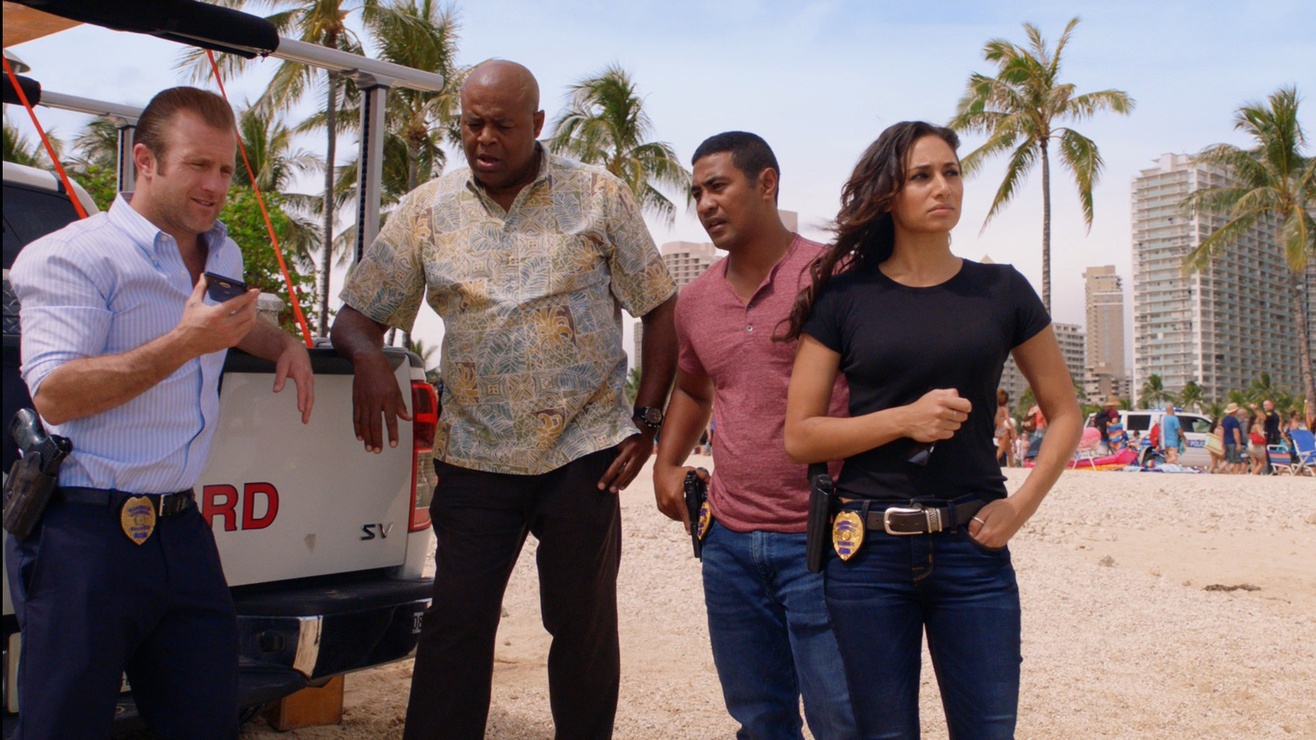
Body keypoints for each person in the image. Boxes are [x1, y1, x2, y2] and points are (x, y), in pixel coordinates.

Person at [330, 60, 677, 740]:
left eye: (503, 125)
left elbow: (660, 306)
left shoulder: (597, 195)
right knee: (456, 625)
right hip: (475, 455)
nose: (484, 138)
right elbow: (355, 317)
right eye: (472, 124)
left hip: (583, 452)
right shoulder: (427, 209)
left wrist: (647, 420)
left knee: (581, 626)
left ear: (537, 124)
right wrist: (368, 357)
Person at [5, 86, 315, 739]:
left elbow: (229, 321)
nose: (215, 186)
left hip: (180, 529)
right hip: (82, 533)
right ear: (144, 161)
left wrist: (282, 343)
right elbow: (55, 392)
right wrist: (185, 343)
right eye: (198, 165)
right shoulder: (73, 255)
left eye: (225, 169)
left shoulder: (221, 251)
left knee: (206, 723)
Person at [782, 121, 1082, 739]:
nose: (942, 186)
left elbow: (1065, 413)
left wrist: (1020, 506)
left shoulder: (1002, 289)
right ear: (889, 193)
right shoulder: (843, 298)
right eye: (921, 176)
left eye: (951, 172)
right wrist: (905, 419)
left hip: (974, 549)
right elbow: (801, 436)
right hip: (867, 553)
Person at [651, 132, 856, 739]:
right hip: (729, 542)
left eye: (718, 186)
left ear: (767, 183)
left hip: (828, 536)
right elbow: (694, 390)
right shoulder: (695, 301)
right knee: (759, 718)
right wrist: (666, 464)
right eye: (696, 193)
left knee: (845, 718)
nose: (705, 204)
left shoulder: (836, 274)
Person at [1221, 402, 1245, 474]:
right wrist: (1238, 444)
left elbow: (1222, 432)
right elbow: (1236, 432)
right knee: (1234, 460)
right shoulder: (1234, 421)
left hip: (1226, 441)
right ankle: (1230, 472)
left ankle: (1221, 469)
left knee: (1227, 459)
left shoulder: (1224, 420)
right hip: (1232, 442)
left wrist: (1222, 443)